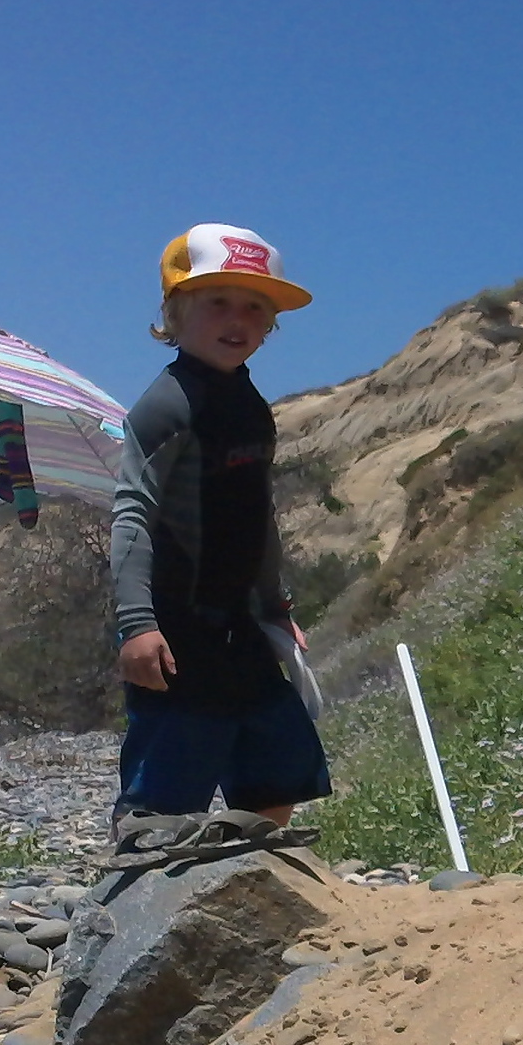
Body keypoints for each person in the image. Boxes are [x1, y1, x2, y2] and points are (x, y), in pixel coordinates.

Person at [108, 224, 328, 828]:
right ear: (175, 315)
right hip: (176, 623)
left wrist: (274, 604)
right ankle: (140, 873)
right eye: (218, 302)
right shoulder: (168, 403)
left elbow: (257, 512)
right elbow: (134, 512)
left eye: (256, 307)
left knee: (276, 759)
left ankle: (262, 865)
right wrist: (137, 625)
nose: (238, 320)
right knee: (168, 776)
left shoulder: (250, 404)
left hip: (241, 622)